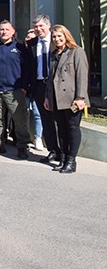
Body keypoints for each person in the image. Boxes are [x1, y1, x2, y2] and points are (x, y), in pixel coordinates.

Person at [0, 20, 32, 159]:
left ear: (13, 31)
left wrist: (24, 86)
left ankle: (22, 146)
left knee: (20, 120)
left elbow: (28, 68)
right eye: (2, 29)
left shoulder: (21, 48)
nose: (4, 32)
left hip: (15, 91)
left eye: (7, 29)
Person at [47, 24, 90, 174]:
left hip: (72, 98)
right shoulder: (53, 55)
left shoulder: (76, 52)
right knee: (62, 130)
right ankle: (64, 158)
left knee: (72, 129)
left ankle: (71, 161)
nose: (57, 39)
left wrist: (80, 97)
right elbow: (50, 79)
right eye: (54, 36)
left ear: (66, 36)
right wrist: (48, 97)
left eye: (59, 36)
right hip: (56, 98)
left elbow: (82, 76)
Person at [27, 14, 61, 165]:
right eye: (36, 27)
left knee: (60, 120)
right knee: (46, 121)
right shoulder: (32, 43)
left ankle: (65, 152)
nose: (38, 29)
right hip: (40, 86)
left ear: (49, 25)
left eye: (41, 26)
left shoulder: (57, 42)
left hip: (57, 86)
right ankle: (53, 151)